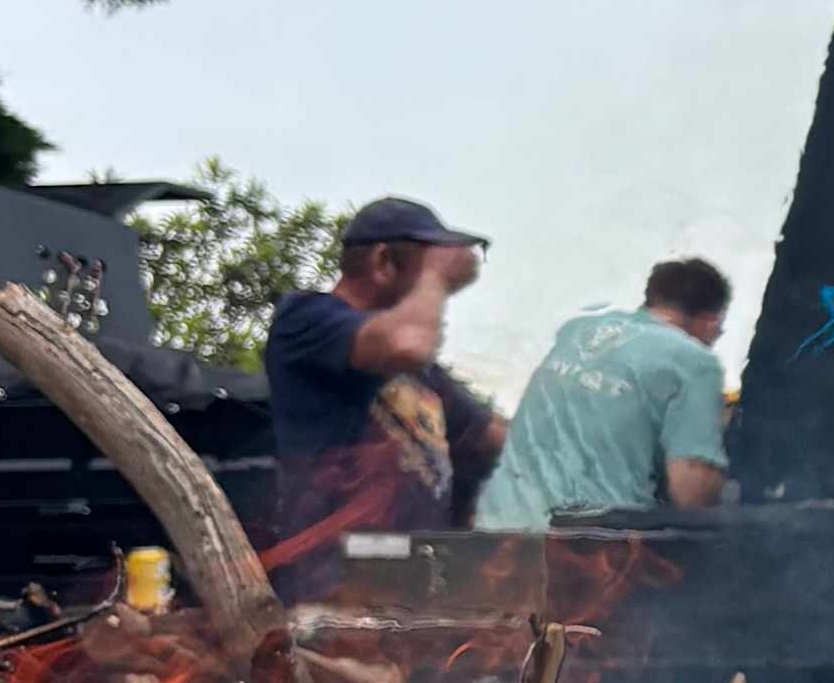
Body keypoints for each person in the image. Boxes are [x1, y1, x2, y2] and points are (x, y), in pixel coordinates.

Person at [261, 196, 502, 576]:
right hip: (338, 575)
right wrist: (436, 277)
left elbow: (491, 435)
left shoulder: (424, 375)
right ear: (383, 262)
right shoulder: (307, 318)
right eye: (426, 263)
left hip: (413, 576)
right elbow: (407, 344)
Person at [479, 257, 740, 530]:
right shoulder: (695, 362)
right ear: (711, 321)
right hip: (588, 542)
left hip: (495, 528)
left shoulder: (577, 331)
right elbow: (691, 492)